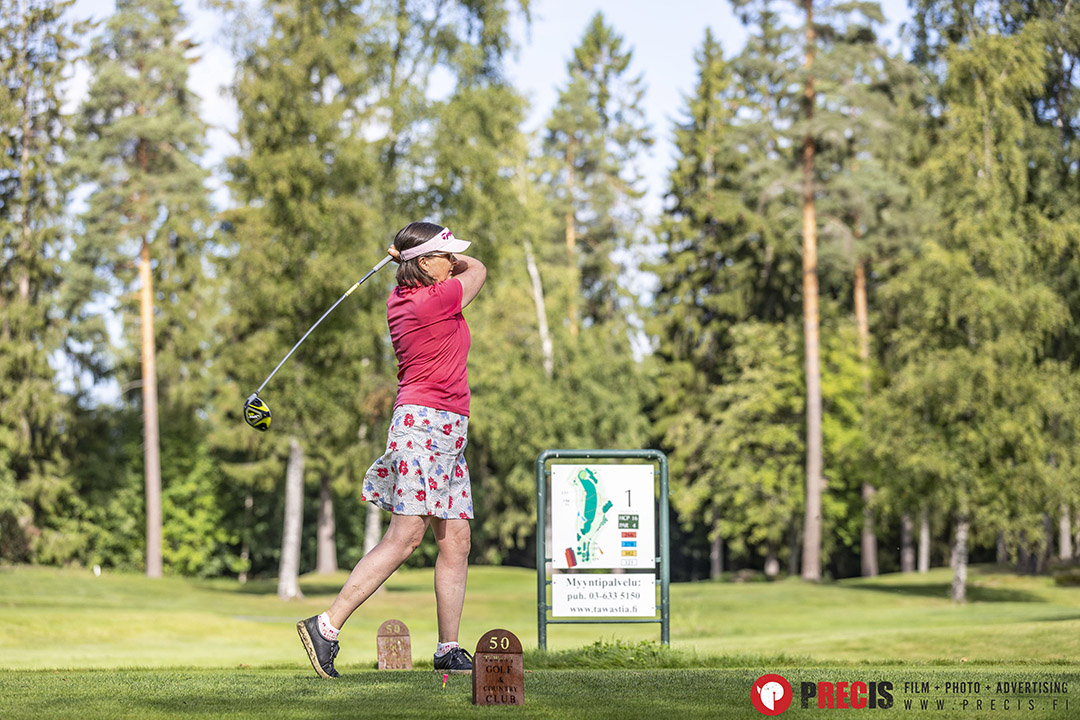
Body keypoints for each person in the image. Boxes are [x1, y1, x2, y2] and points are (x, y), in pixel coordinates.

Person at [297, 221, 487, 679]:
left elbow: (454, 265)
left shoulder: (404, 295)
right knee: (405, 539)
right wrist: (415, 257)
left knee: (456, 540)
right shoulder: (429, 301)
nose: (453, 261)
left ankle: (448, 648)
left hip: (448, 432)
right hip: (424, 427)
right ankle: (326, 626)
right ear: (425, 263)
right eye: (445, 255)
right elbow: (479, 269)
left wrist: (412, 257)